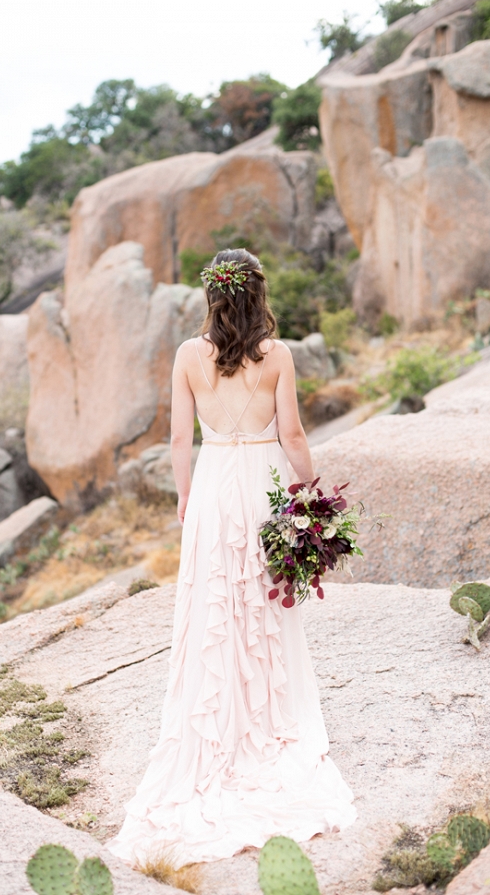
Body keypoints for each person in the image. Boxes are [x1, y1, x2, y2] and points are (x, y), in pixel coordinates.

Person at [106, 249, 356, 868]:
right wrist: (314, 490)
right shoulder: (278, 356)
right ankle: (266, 724)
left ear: (212, 296)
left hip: (216, 488)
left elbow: (178, 439)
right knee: (262, 604)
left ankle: (218, 729)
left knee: (218, 607)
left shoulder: (189, 356)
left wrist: (188, 501)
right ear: (258, 295)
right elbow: (293, 434)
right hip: (265, 486)